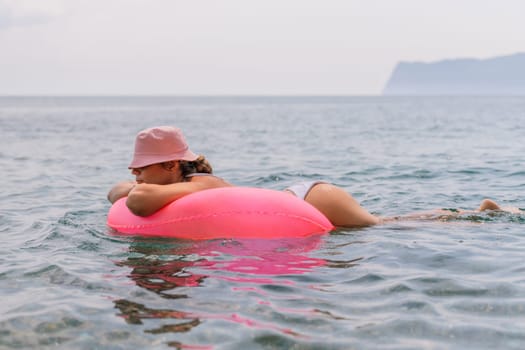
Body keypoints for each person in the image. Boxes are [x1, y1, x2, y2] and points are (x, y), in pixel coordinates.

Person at [108, 126, 509, 228]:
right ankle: (473, 211)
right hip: (295, 199)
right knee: (385, 225)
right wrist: (128, 187)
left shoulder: (200, 185)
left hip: (308, 201)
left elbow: (138, 201)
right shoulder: (181, 185)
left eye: (142, 166)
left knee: (384, 227)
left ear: (173, 165)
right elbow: (120, 193)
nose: (134, 172)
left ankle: (475, 214)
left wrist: (133, 190)